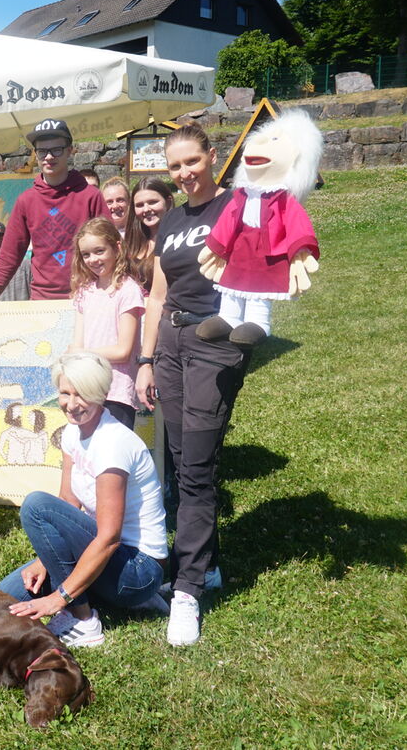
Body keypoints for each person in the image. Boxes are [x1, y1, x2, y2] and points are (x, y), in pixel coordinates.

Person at [134, 122, 246, 647]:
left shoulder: (240, 205)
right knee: (182, 463)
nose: (184, 174)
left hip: (216, 344)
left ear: (212, 157)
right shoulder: (174, 217)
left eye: (191, 162)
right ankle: (210, 566)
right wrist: (147, 360)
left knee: (197, 466)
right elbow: (158, 295)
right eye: (175, 167)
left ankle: (187, 591)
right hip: (172, 346)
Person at [0, 352, 167, 648]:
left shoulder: (113, 444)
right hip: (102, 554)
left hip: (137, 570)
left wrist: (58, 599)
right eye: (65, 393)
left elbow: (110, 537)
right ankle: (99, 597)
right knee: (4, 599)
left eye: (83, 395)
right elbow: (67, 504)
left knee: (36, 505)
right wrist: (44, 558)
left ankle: (84, 620)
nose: (72, 404)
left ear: (102, 395)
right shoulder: (72, 435)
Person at [0, 119, 106, 302]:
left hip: (90, 296)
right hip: (43, 301)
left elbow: (111, 251)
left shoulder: (91, 196)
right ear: (35, 154)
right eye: (42, 151)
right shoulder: (26, 201)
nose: (49, 157)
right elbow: (7, 261)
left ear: (69, 151)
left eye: (56, 150)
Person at [70, 218, 145, 429]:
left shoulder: (128, 290)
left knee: (113, 454)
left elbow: (123, 351)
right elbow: (77, 341)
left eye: (99, 251)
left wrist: (81, 353)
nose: (93, 259)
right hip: (87, 387)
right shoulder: (84, 291)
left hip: (117, 390)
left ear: (116, 247)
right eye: (86, 254)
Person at [122, 179, 175, 294]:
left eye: (152, 202)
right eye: (140, 205)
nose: (146, 209)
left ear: (168, 202)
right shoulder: (130, 242)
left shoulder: (178, 241)